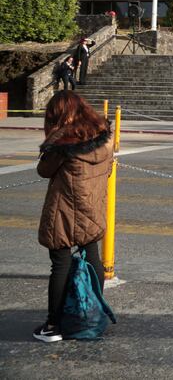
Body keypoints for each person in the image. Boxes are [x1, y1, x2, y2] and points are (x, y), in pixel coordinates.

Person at [33, 91, 114, 343]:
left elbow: (43, 170)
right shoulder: (103, 136)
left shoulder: (63, 143)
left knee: (60, 263)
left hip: (65, 210)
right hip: (92, 208)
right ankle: (91, 315)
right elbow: (108, 170)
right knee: (92, 259)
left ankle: (53, 325)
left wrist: (54, 138)